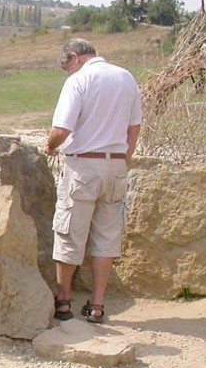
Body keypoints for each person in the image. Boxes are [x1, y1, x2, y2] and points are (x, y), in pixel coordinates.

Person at [44, 38, 142, 324]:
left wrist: (50, 145)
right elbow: (134, 124)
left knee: (70, 231)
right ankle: (97, 304)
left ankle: (63, 300)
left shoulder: (78, 81)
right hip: (115, 164)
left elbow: (62, 129)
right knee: (107, 236)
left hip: (84, 164)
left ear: (74, 57)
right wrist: (126, 156)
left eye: (67, 66)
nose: (68, 72)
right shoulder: (125, 77)